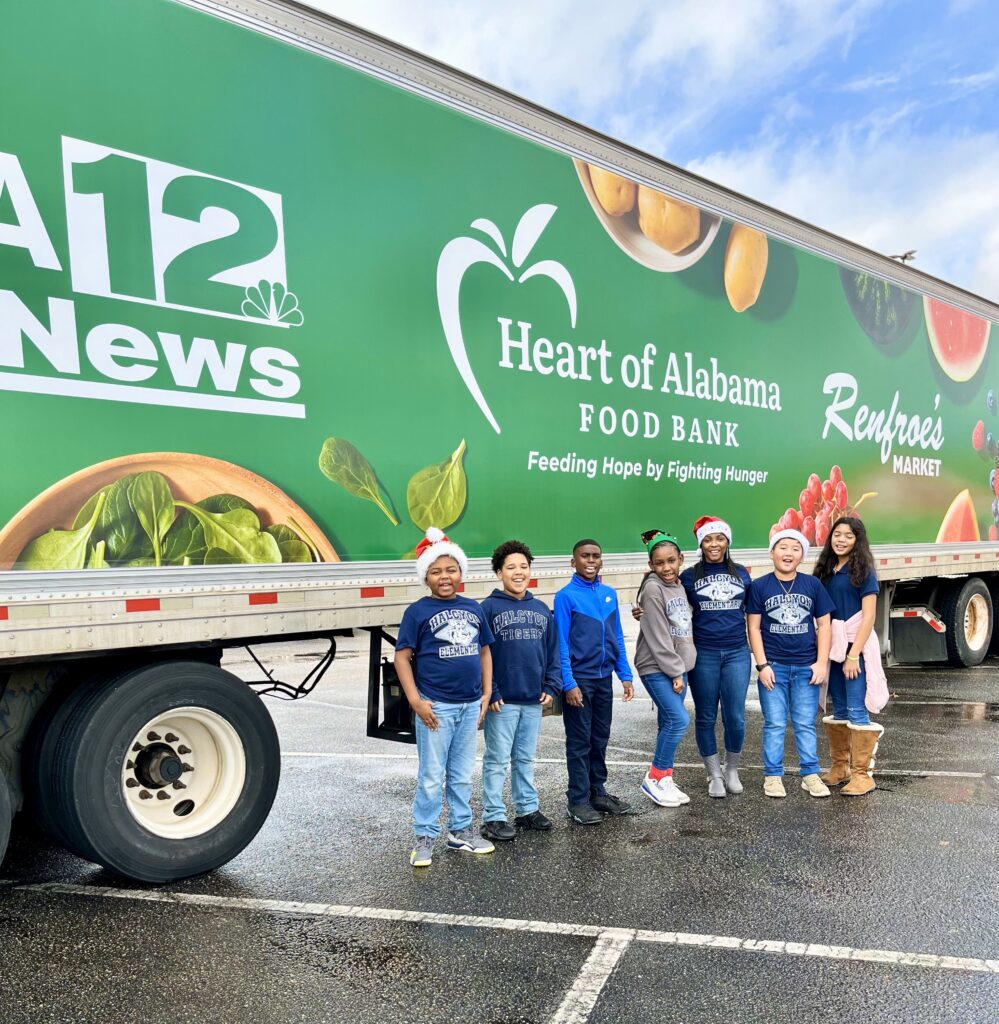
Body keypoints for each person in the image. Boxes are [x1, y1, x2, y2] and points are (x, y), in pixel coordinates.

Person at [395, 527, 496, 867]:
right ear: (426, 576)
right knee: (431, 776)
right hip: (435, 706)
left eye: (451, 569)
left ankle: (460, 832)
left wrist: (486, 693)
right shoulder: (417, 612)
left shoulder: (473, 608)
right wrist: (415, 700)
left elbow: (484, 652)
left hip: (470, 706)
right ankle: (424, 836)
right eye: (436, 571)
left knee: (463, 773)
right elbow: (401, 657)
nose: (445, 577)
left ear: (461, 573)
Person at [479, 539, 562, 841]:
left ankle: (527, 809)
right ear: (499, 572)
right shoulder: (487, 608)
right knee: (497, 759)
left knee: (525, 758)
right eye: (511, 567)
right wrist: (493, 691)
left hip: (533, 699)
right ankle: (493, 816)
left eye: (523, 567)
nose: (518, 572)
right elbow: (481, 654)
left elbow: (553, 652)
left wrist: (552, 685)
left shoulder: (540, 608)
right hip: (503, 701)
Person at [747, 528, 834, 799]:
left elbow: (824, 625)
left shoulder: (812, 585)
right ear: (772, 552)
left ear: (802, 556)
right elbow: (753, 628)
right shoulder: (759, 586)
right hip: (774, 666)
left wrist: (821, 663)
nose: (788, 553)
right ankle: (773, 776)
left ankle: (810, 774)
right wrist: (762, 666)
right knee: (774, 723)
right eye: (783, 547)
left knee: (806, 723)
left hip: (807, 667)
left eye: (795, 549)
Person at [554, 538, 635, 824]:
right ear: (573, 561)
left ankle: (597, 793)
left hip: (603, 680)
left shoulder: (609, 594)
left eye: (596, 556)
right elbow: (561, 643)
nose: (590, 561)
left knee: (599, 738)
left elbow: (616, 640)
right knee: (579, 742)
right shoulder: (565, 597)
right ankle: (577, 799)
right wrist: (568, 682)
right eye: (584, 556)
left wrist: (624, 675)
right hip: (580, 681)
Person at [813, 516, 888, 797]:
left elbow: (869, 616)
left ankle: (862, 775)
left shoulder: (864, 570)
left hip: (854, 646)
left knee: (857, 709)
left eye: (848, 535)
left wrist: (853, 655)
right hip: (832, 646)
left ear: (858, 540)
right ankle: (840, 767)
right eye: (837, 534)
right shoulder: (826, 570)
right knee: (840, 708)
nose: (841, 539)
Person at [681, 516, 753, 798]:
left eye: (719, 538)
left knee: (735, 717)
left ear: (727, 541)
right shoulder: (689, 576)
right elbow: (669, 603)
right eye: (708, 539)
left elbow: (754, 614)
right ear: (701, 543)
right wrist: (643, 611)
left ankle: (732, 769)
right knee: (706, 717)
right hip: (704, 655)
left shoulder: (743, 574)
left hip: (737, 652)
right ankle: (714, 775)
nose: (714, 544)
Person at [634, 531, 696, 808]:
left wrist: (680, 668)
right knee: (679, 720)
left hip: (676, 666)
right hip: (656, 666)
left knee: (666, 724)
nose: (667, 567)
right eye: (659, 563)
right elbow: (658, 635)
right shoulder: (652, 589)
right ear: (651, 565)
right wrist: (674, 672)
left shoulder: (678, 586)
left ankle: (665, 779)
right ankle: (655, 776)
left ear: (681, 559)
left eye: (671, 561)